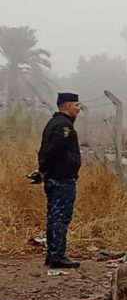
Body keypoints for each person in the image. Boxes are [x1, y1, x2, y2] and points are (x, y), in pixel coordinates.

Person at [37, 92, 82, 269]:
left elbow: (45, 151)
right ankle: (57, 256)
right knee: (60, 217)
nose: (79, 109)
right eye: (76, 105)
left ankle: (52, 254)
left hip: (54, 177)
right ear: (68, 105)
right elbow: (54, 151)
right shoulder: (63, 126)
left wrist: (43, 171)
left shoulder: (53, 123)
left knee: (53, 216)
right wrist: (45, 170)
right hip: (61, 179)